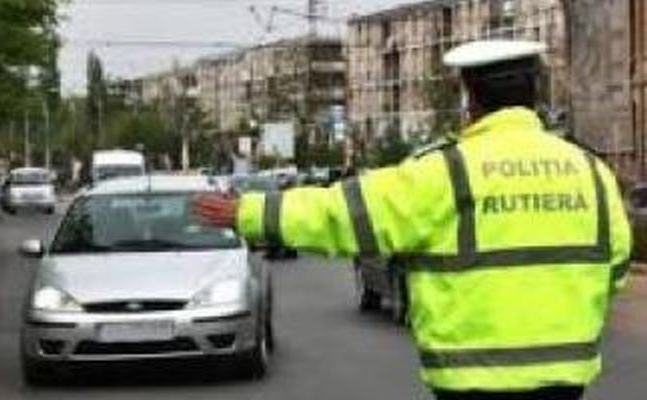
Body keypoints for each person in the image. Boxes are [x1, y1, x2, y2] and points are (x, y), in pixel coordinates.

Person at [194, 40, 632, 400]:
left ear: (469, 95)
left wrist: (252, 212)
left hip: (473, 379)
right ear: (535, 90)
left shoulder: (446, 171)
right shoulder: (591, 171)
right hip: (565, 379)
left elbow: (345, 214)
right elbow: (615, 266)